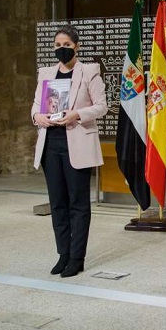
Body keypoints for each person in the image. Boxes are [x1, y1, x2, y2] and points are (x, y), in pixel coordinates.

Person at [32, 25, 108, 277]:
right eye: (57, 45)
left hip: (76, 141)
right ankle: (62, 254)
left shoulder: (89, 72)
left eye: (66, 45)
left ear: (76, 46)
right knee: (58, 203)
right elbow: (35, 108)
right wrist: (38, 117)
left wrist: (76, 114)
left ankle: (77, 257)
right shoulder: (46, 73)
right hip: (51, 143)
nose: (61, 49)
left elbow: (101, 107)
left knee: (78, 203)